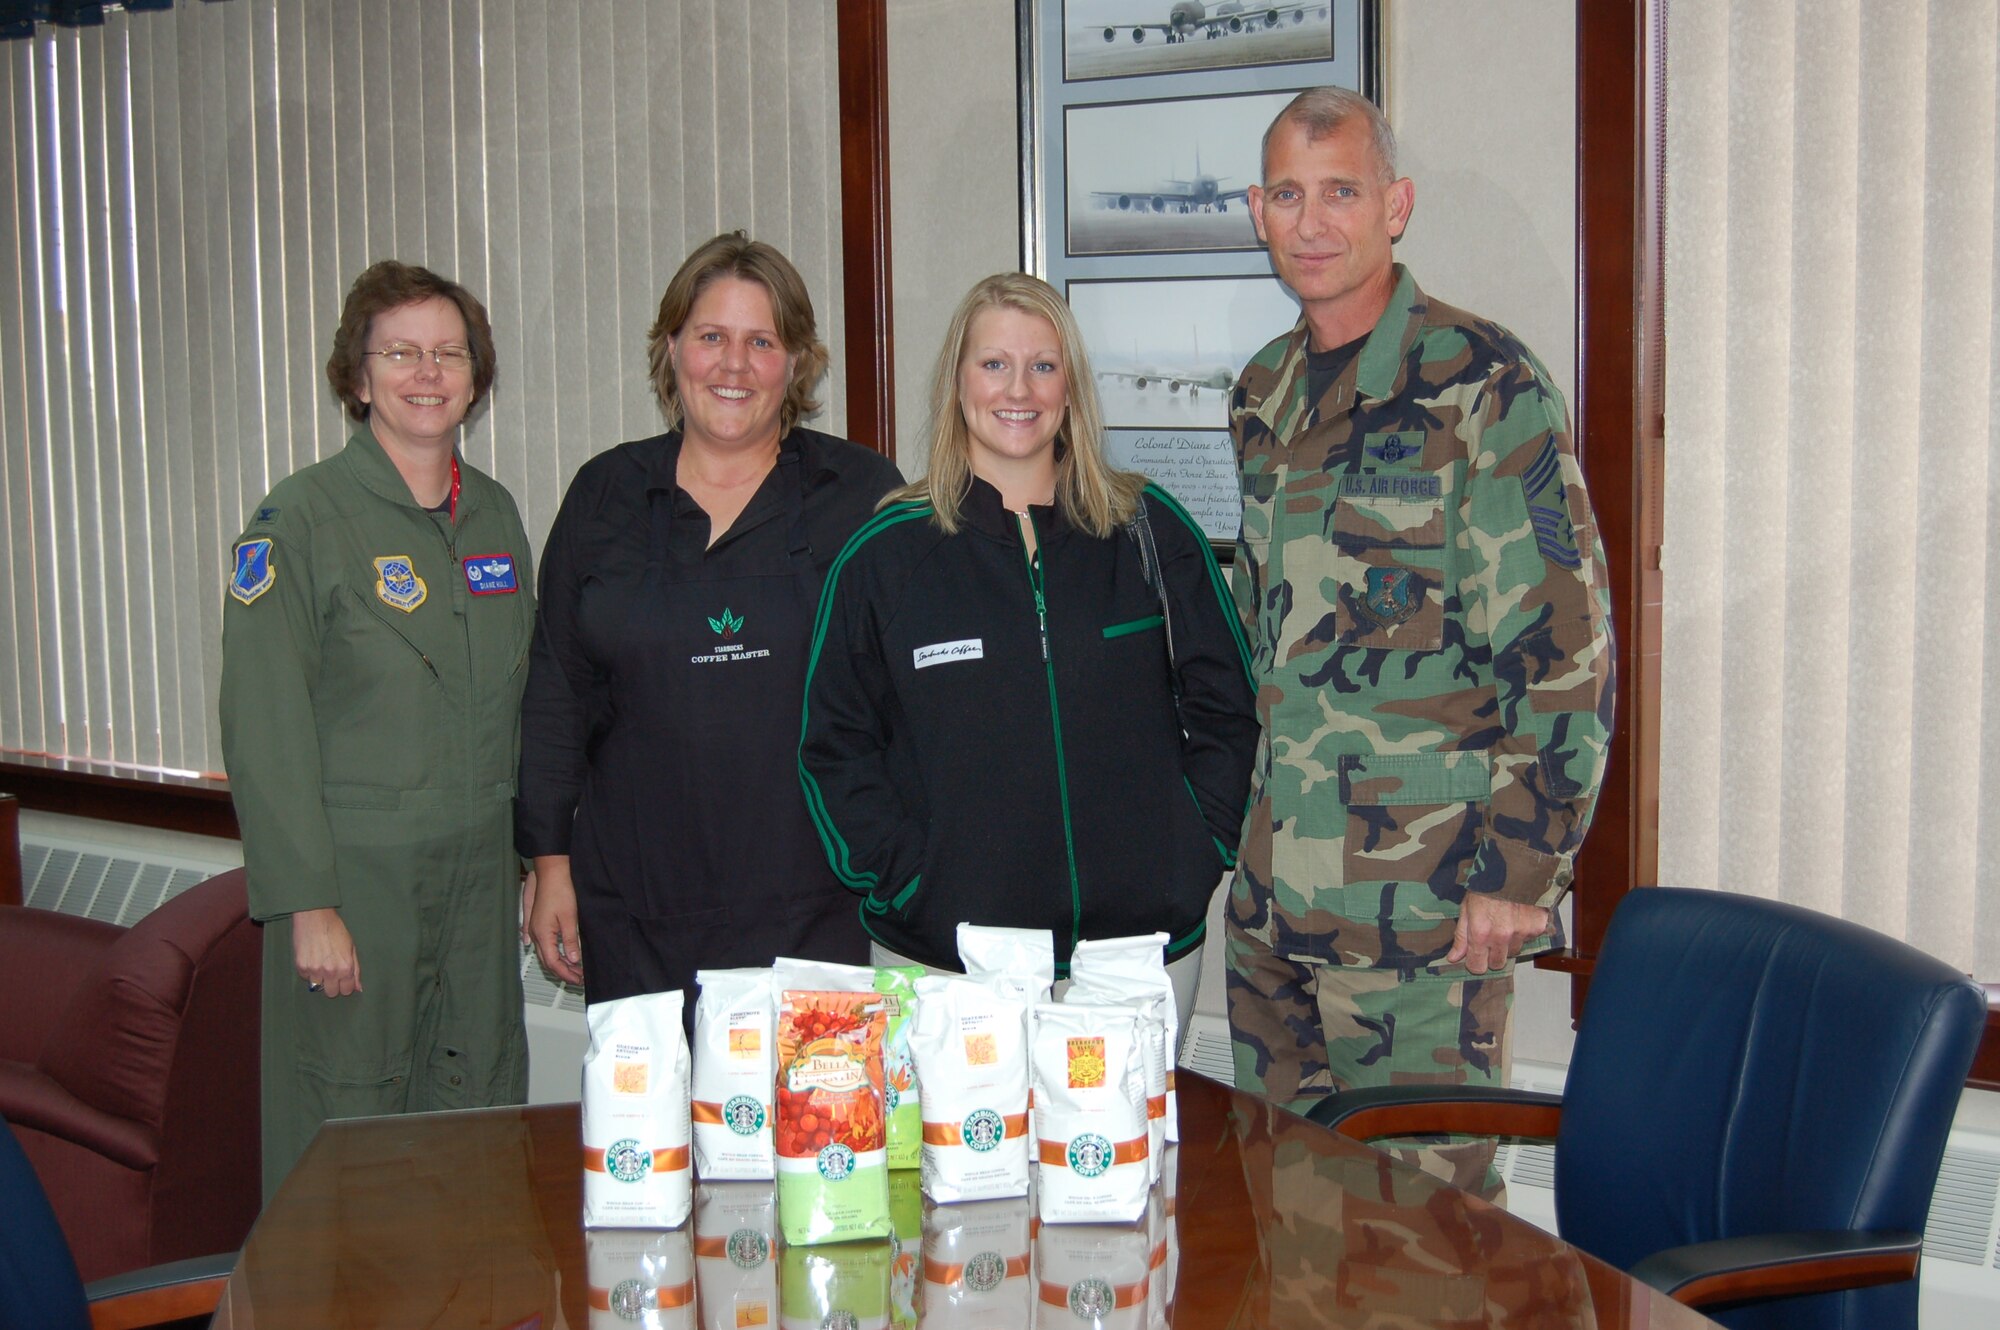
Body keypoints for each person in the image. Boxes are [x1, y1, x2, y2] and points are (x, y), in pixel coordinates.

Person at [1224, 87, 1615, 1189]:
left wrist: (1519, 869)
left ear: (1393, 205)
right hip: (1274, 910)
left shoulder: (1482, 386)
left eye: (1339, 191)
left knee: (1426, 1244)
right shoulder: (1261, 393)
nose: (1311, 222)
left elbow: (1564, 647)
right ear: (1256, 211)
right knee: (1280, 1230)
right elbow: (1273, 644)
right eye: (1287, 195)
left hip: (1424, 923)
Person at [799, 273, 1258, 1032]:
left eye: (1044, 366)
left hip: (1133, 960)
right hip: (948, 964)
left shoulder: (1151, 531)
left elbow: (1227, 709)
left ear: (1071, 389)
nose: (1020, 388)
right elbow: (834, 746)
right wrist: (905, 882)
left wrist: (1197, 847)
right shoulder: (884, 557)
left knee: (1136, 1156)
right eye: (994, 364)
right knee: (956, 1155)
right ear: (957, 383)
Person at [516, 233, 903, 1009]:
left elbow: (911, 701)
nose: (734, 365)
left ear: (795, 361)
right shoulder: (604, 497)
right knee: (648, 1131)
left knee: (814, 1130)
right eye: (711, 338)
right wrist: (547, 863)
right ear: (672, 349)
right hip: (636, 913)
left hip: (818, 916)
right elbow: (557, 694)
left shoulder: (862, 495)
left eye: (761, 341)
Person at [220, 261, 536, 1197]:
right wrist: (306, 904)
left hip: (479, 875)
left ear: (476, 377)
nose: (427, 372)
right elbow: (263, 725)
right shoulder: (299, 521)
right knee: (348, 1134)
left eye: (449, 353)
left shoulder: (496, 518)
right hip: (357, 885)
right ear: (357, 379)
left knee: (476, 1110)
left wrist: (528, 861)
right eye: (399, 352)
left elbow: (522, 697)